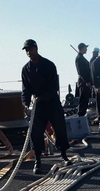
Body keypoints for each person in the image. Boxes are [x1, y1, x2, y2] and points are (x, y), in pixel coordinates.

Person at [20, 39, 71, 174]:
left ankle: (64, 154)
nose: (28, 52)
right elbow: (26, 89)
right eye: (26, 50)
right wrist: (25, 104)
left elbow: (53, 86)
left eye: (30, 49)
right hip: (39, 106)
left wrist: (42, 96)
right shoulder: (26, 69)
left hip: (52, 101)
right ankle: (38, 160)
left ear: (36, 48)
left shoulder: (49, 65)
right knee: (35, 132)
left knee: (60, 128)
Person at [74, 43, 92, 118]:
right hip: (83, 83)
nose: (86, 49)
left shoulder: (81, 58)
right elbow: (80, 72)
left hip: (86, 82)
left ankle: (82, 114)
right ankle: (81, 115)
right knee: (83, 100)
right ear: (82, 48)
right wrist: (87, 81)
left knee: (85, 100)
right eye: (85, 48)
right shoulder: (79, 58)